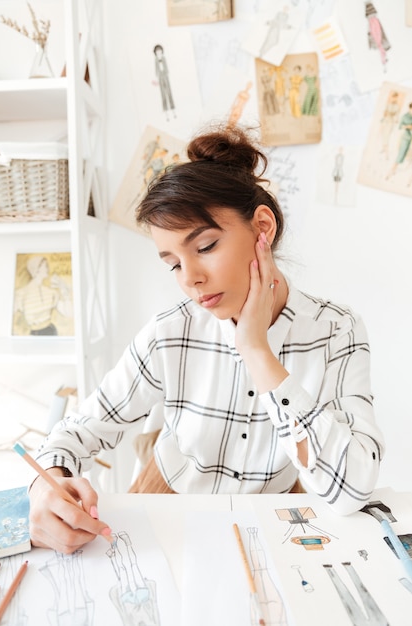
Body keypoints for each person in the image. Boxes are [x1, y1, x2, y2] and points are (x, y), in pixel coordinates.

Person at [29, 124, 384, 554]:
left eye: (206, 246)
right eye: (173, 264)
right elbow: (73, 434)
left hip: (276, 520)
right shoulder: (169, 333)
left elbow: (351, 490)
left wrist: (256, 350)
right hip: (167, 500)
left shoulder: (336, 331)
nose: (191, 279)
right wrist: (45, 487)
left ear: (263, 228)